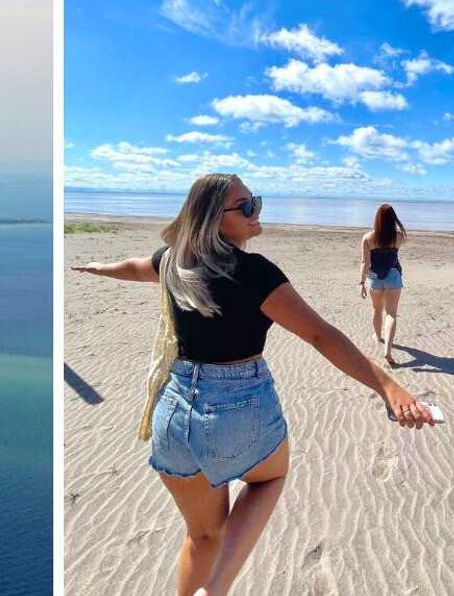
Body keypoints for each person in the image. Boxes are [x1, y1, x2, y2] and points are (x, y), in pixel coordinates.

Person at [72, 174, 435, 596]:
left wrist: (99, 268)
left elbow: (136, 268)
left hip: (171, 415)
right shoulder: (255, 273)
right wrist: (387, 386)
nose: (256, 211)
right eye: (246, 206)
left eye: (255, 201)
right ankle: (217, 588)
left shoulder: (174, 262)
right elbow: (320, 335)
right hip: (236, 407)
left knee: (203, 534)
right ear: (213, 218)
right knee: (268, 479)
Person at [359, 204, 407, 366]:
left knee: (376, 308)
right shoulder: (399, 237)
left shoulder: (368, 238)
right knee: (391, 314)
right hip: (393, 275)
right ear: (393, 219)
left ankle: (378, 336)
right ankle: (387, 350)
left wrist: (361, 282)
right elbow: (394, 252)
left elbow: (365, 263)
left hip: (374, 277)